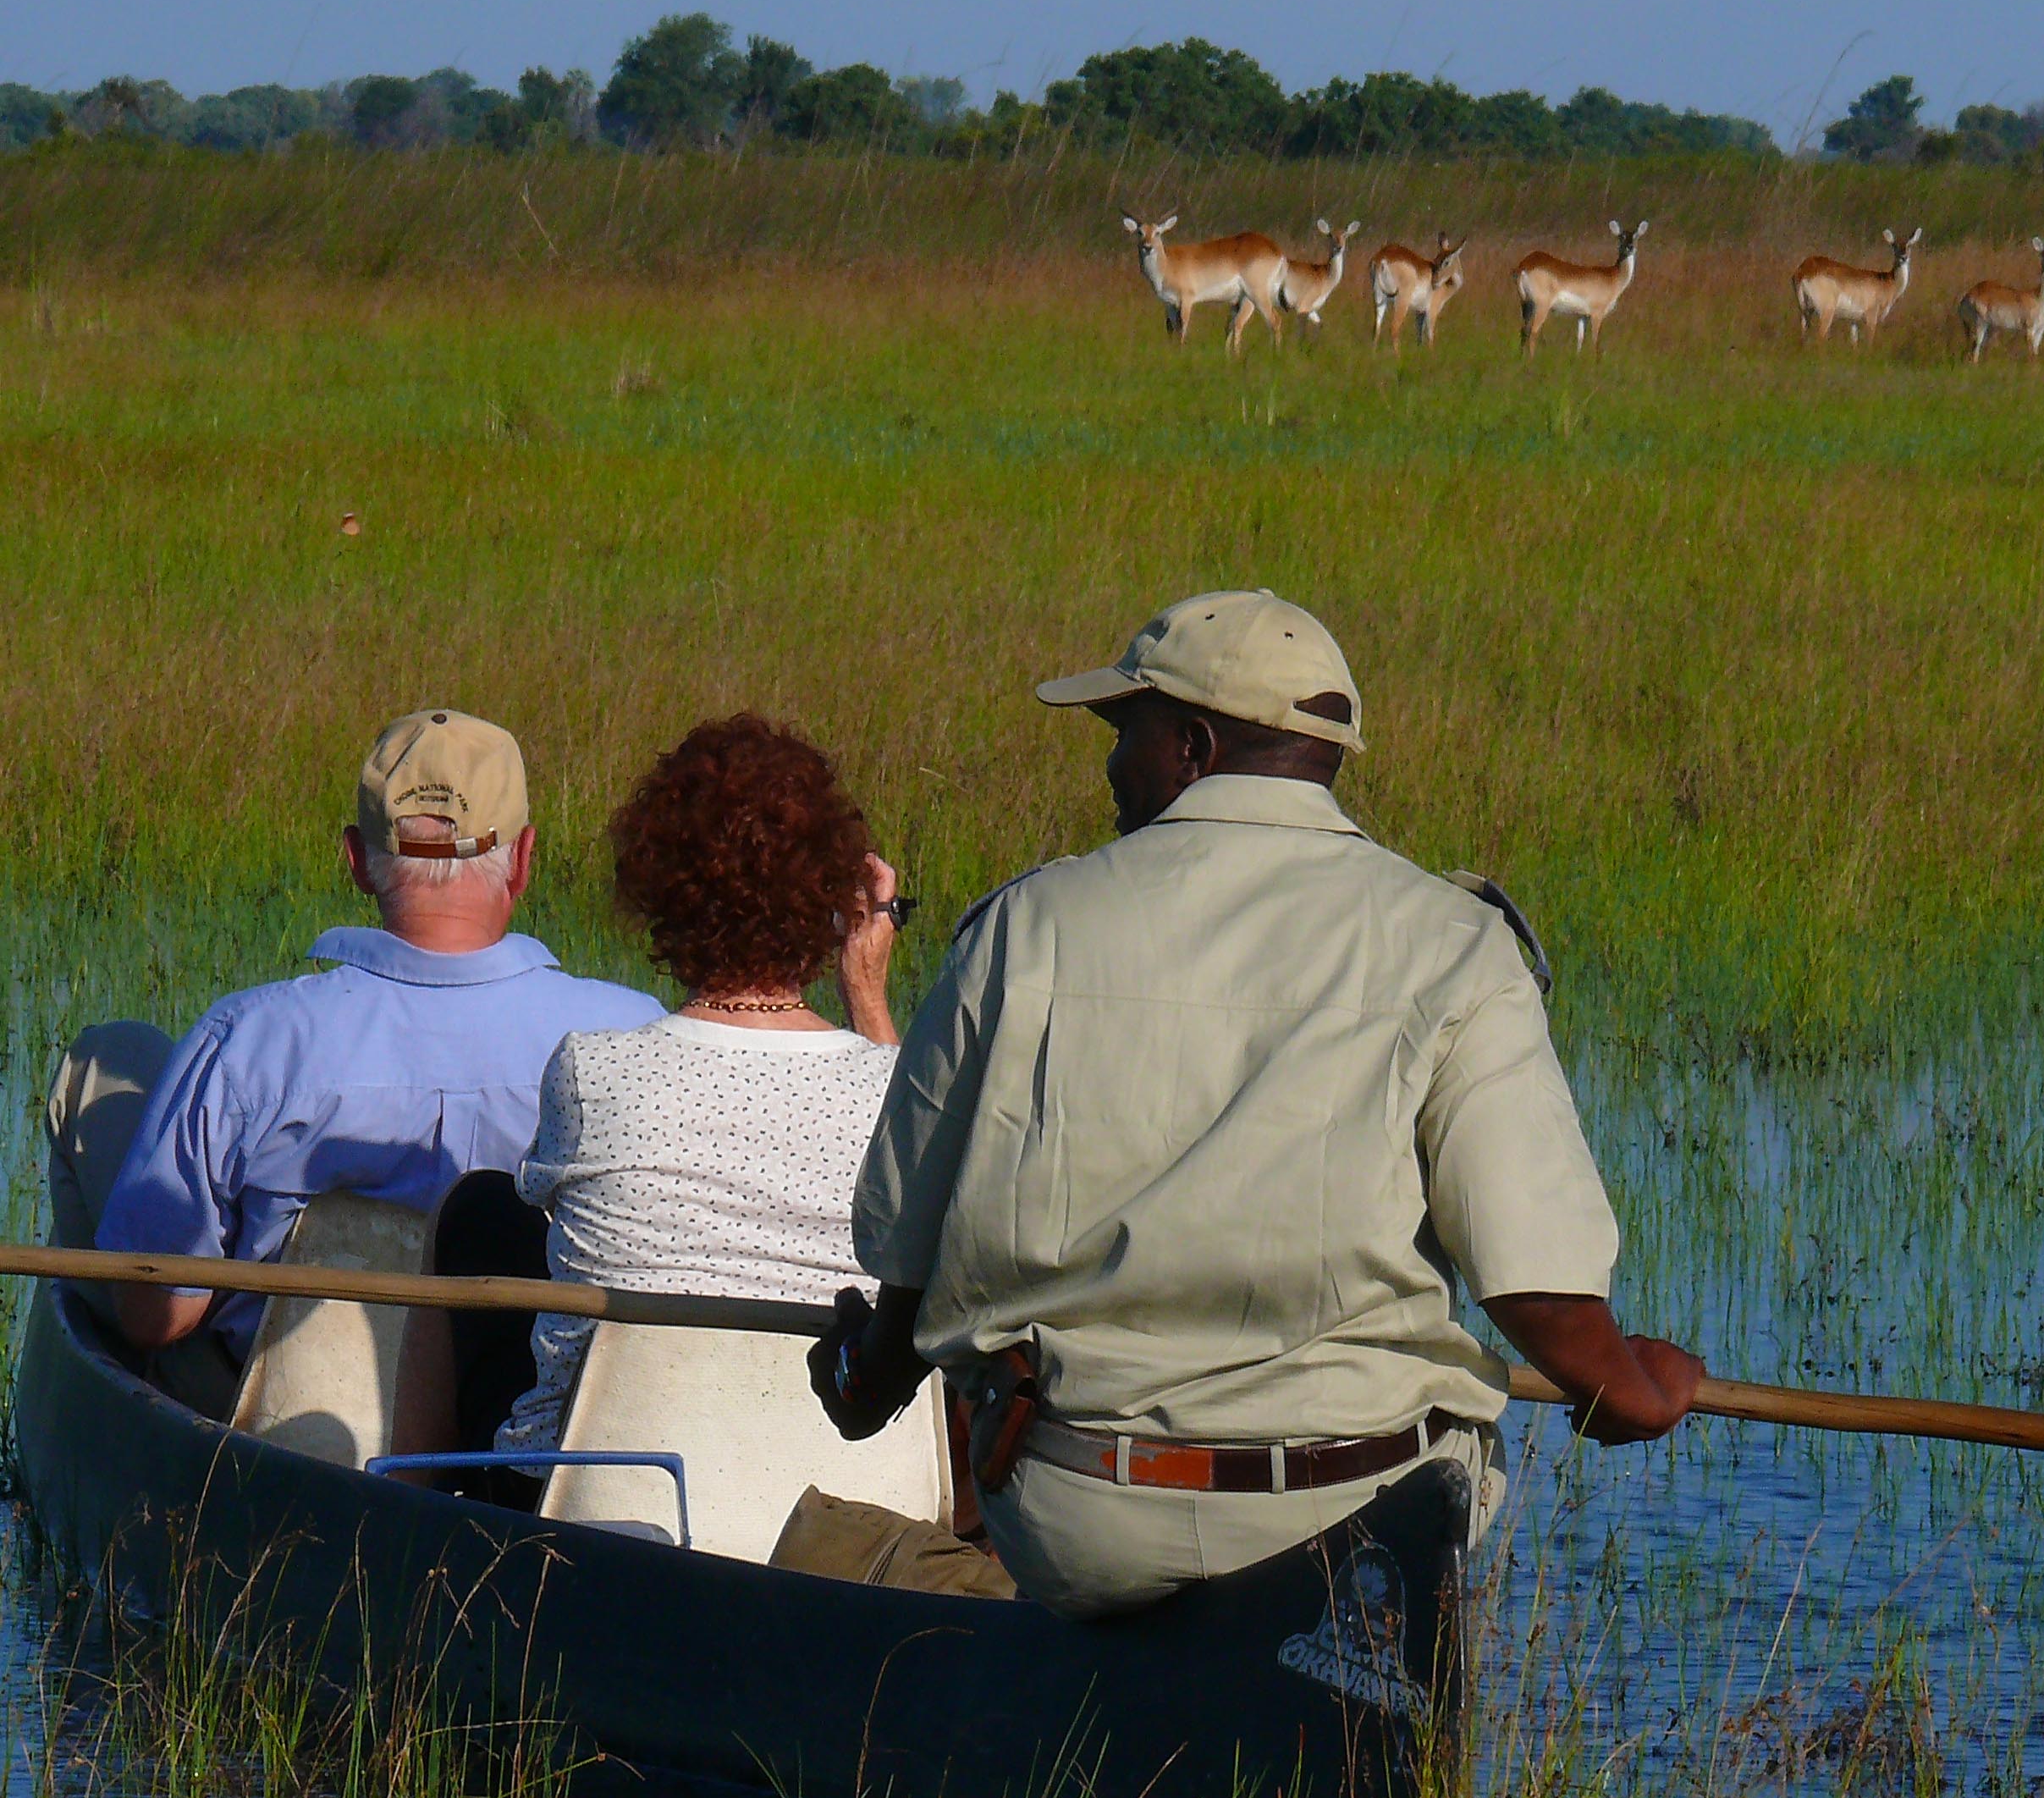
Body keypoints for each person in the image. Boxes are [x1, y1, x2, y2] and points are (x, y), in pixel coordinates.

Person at [813, 590, 1703, 1619]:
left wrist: (867, 1385)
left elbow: (907, 1255)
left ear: (1190, 745)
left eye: (1124, 733)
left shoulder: (1023, 926)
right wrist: (1629, 1393)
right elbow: (1537, 1285)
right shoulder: (1456, 943)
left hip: (1082, 1518)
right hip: (1355, 1520)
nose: (1109, 767)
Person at [52, 709, 663, 1416]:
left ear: (356, 860)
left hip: (280, 1423)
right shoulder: (633, 1034)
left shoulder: (248, 1037)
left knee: (108, 1057)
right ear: (523, 860)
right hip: (536, 1423)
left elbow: (159, 1317)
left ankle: (91, 1410)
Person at [463, 714, 907, 1478]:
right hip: (841, 1510)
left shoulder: (589, 1072)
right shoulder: (895, 1089)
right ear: (837, 902)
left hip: (594, 1507)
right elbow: (922, 1188)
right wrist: (866, 988)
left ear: (661, 891)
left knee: (481, 1213)